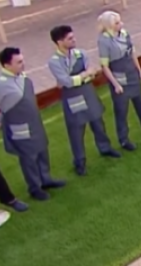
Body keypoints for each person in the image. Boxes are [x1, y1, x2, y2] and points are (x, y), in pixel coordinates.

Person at [0, 47, 65, 201]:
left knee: (42, 151)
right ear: (7, 65)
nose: (23, 64)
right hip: (20, 129)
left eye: (22, 60)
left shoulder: (20, 76)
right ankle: (35, 188)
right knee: (29, 158)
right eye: (19, 62)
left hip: (34, 124)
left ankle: (45, 179)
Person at [48, 25, 120, 176]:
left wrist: (79, 78)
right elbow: (67, 82)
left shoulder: (81, 53)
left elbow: (91, 74)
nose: (74, 40)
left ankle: (105, 148)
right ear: (59, 42)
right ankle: (79, 162)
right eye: (70, 38)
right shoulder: (54, 62)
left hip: (88, 93)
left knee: (98, 123)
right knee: (76, 131)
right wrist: (84, 75)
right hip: (73, 98)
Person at [97, 11, 141, 150]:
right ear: (109, 26)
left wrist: (140, 72)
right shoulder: (104, 41)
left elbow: (132, 54)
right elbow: (105, 66)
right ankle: (123, 139)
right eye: (117, 23)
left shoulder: (124, 34)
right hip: (119, 77)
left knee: (140, 102)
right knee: (121, 110)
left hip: (131, 73)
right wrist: (115, 84)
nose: (121, 24)